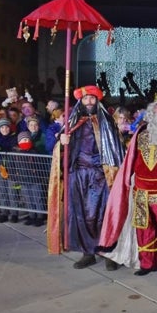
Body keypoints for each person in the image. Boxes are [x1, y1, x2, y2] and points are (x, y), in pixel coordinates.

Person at [98, 94, 157, 279]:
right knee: (144, 228)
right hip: (141, 191)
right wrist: (126, 182)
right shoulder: (141, 132)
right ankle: (147, 263)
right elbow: (130, 160)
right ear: (151, 110)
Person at [47, 85, 125, 270]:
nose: (89, 102)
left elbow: (117, 148)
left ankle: (109, 254)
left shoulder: (106, 121)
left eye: (92, 98)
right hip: (80, 175)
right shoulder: (72, 121)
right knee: (81, 215)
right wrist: (62, 143)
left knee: (105, 215)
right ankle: (87, 253)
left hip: (102, 175)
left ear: (97, 101)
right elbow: (61, 151)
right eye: (85, 99)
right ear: (80, 102)